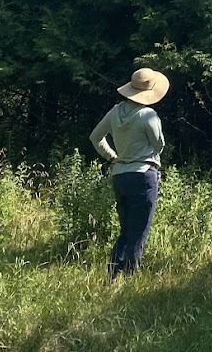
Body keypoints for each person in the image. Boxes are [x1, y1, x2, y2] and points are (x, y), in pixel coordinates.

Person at [89, 67, 170, 277]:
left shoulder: (115, 111)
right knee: (139, 232)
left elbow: (95, 137)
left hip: (120, 174)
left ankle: (113, 274)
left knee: (125, 230)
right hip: (144, 174)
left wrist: (112, 156)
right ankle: (130, 278)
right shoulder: (148, 115)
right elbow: (159, 145)